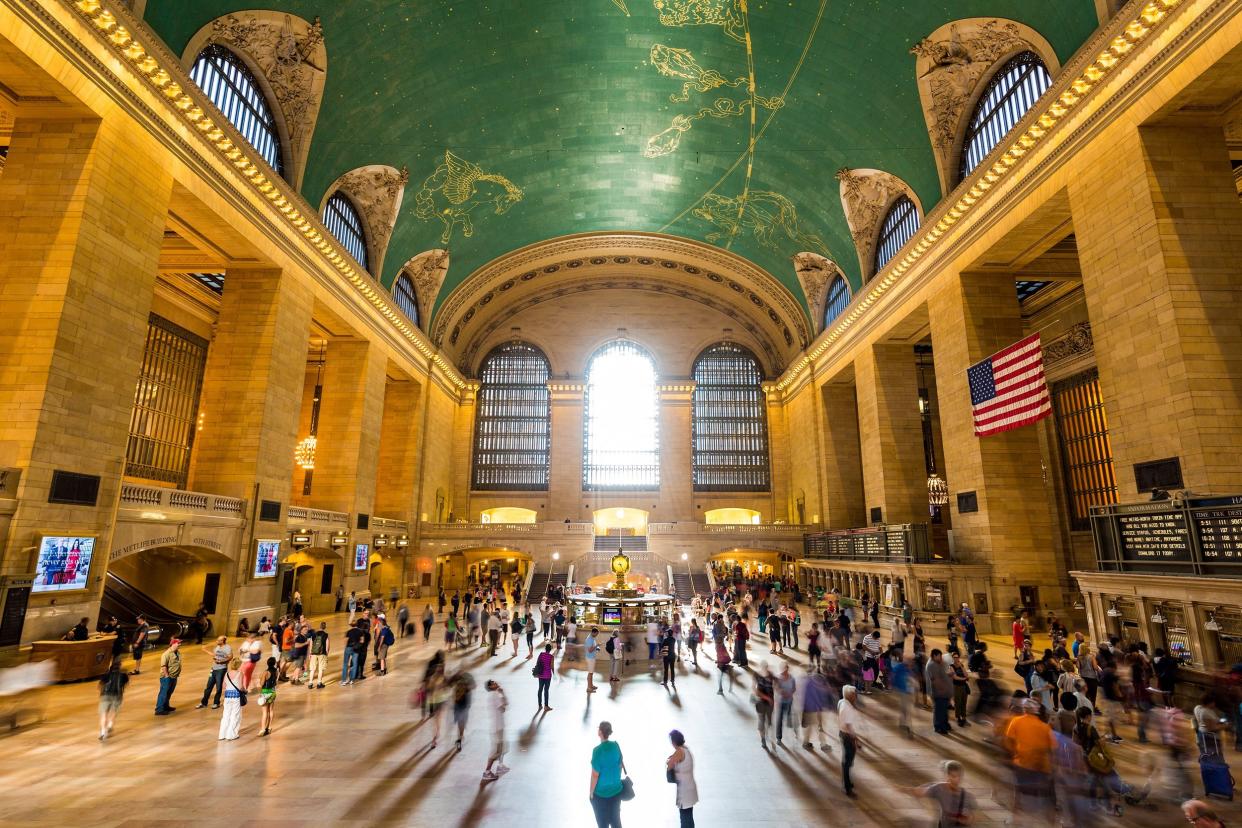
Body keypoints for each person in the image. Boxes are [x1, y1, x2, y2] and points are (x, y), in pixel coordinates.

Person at [1004, 698, 1057, 821]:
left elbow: (1008, 741)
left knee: (1017, 791)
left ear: (1024, 709)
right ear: (1037, 711)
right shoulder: (1045, 727)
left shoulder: (1016, 721)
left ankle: (1014, 817)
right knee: (1049, 795)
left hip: (1021, 763)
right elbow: (1052, 750)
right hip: (1041, 767)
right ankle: (1051, 820)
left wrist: (1015, 754)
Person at [902, 760, 977, 827]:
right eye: (953, 776)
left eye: (958, 777)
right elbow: (919, 792)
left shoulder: (968, 797)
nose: (956, 780)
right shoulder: (939, 788)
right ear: (947, 776)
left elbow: (973, 818)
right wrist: (903, 789)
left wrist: (967, 820)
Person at [589, 721, 626, 828]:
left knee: (602, 823)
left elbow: (595, 775)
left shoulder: (597, 751)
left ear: (600, 732)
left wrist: (591, 793)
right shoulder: (616, 746)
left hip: (600, 794)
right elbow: (620, 766)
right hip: (616, 790)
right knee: (616, 821)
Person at [666, 729, 698, 827]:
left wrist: (669, 763)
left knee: (684, 820)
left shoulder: (679, 752)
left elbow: (670, 764)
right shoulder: (686, 749)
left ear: (674, 742)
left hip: (684, 792)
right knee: (689, 818)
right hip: (690, 789)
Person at [838, 685, 866, 798]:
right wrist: (857, 741)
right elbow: (849, 727)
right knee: (847, 762)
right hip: (847, 736)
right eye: (854, 694)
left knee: (847, 761)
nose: (856, 696)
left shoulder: (841, 702)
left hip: (842, 733)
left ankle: (847, 782)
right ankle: (847, 787)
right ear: (850, 696)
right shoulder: (848, 708)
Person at [481, 679, 510, 780]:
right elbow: (503, 708)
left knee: (501, 747)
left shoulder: (496, 694)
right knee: (496, 751)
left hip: (498, 726)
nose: (496, 683)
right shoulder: (494, 695)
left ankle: (500, 766)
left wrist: (502, 693)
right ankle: (487, 772)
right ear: (490, 687)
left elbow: (506, 704)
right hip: (497, 727)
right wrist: (502, 696)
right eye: (493, 683)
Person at [98, 660, 128, 740]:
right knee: (113, 711)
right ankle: (110, 725)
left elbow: (100, 685)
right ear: (120, 666)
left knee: (104, 714)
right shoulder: (123, 675)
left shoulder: (106, 675)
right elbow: (125, 684)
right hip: (117, 696)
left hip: (105, 696)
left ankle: (103, 732)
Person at [925, 649, 953, 735]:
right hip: (938, 692)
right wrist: (942, 689)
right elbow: (935, 680)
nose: (941, 657)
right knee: (939, 710)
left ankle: (944, 724)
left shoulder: (938, 664)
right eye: (939, 656)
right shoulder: (932, 665)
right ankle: (939, 727)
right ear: (934, 656)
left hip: (944, 693)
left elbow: (943, 675)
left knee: (944, 709)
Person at [218, 657, 245, 741]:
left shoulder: (226, 674)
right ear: (238, 665)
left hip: (227, 696)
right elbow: (240, 687)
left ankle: (222, 734)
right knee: (235, 715)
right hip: (236, 696)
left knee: (226, 715)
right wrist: (245, 690)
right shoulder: (240, 673)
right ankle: (231, 735)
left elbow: (223, 686)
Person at [154, 638, 182, 715]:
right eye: (178, 643)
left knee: (169, 692)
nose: (180, 644)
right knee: (164, 693)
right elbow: (164, 666)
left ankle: (166, 706)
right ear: (173, 644)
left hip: (174, 676)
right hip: (166, 677)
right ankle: (159, 709)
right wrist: (167, 676)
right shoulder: (166, 654)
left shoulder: (177, 652)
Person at [450, 670, 475, 751]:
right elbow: (449, 684)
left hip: (464, 705)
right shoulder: (457, 676)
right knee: (460, 723)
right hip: (457, 704)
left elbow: (474, 686)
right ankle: (460, 736)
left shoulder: (468, 676)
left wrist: (468, 687)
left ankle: (460, 739)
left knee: (461, 723)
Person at [754, 664, 775, 749]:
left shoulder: (770, 678)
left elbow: (775, 688)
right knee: (762, 721)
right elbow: (757, 692)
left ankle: (765, 735)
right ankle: (763, 740)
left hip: (769, 704)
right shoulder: (760, 679)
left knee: (769, 721)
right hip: (761, 704)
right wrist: (768, 699)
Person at [257, 656, 277, 736]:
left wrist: (261, 678)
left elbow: (261, 683)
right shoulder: (276, 671)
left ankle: (262, 729)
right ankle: (269, 727)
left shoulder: (266, 672)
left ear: (267, 663)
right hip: (273, 692)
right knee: (271, 710)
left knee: (264, 712)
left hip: (265, 693)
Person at [342, 620, 366, 686]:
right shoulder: (360, 631)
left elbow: (345, 641)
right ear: (357, 625)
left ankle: (344, 680)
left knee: (345, 664)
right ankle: (351, 680)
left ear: (351, 625)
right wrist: (358, 645)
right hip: (356, 649)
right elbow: (362, 641)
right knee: (354, 664)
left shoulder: (348, 632)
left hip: (348, 648)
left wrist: (346, 648)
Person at [307, 622, 329, 689]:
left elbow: (311, 644)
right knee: (320, 669)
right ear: (325, 627)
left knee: (312, 669)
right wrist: (326, 654)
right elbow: (327, 646)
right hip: (322, 653)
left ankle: (310, 683)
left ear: (319, 626)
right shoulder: (326, 635)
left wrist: (310, 653)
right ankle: (319, 683)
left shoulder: (313, 634)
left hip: (314, 653)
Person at [535, 642, 554, 711]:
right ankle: (546, 706)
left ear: (545, 649)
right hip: (548, 676)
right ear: (550, 649)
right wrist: (554, 673)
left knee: (540, 689)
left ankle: (540, 705)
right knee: (546, 690)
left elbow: (537, 663)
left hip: (541, 674)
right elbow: (552, 666)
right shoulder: (551, 657)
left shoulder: (541, 654)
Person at [584, 627, 599, 693]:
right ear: (594, 632)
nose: (597, 635)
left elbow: (592, 647)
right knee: (590, 673)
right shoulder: (589, 639)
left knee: (591, 673)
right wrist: (596, 646)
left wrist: (597, 647)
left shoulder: (592, 638)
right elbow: (590, 650)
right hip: (590, 658)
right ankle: (589, 688)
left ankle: (591, 685)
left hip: (592, 657)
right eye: (596, 634)